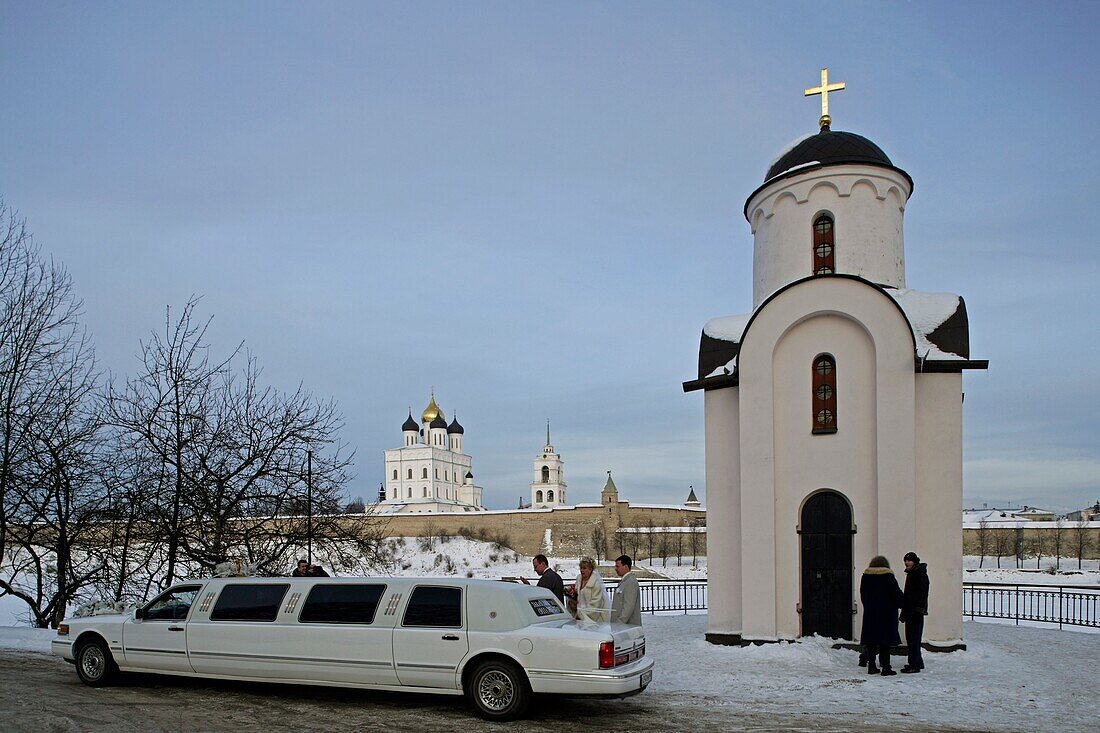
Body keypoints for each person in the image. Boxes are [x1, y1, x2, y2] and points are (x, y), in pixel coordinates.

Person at [859, 555, 904, 676]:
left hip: (870, 613)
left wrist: (868, 606)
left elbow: (863, 594)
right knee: (885, 641)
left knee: (871, 641)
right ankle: (886, 667)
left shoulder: (866, 576)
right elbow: (896, 594)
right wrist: (902, 603)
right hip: (887, 613)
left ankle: (872, 666)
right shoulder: (888, 576)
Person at [900, 551, 930, 674]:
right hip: (913, 610)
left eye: (909, 560)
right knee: (913, 638)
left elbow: (920, 594)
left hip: (914, 611)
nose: (907, 563)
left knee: (913, 638)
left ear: (915, 561)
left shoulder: (918, 574)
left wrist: (912, 607)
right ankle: (917, 661)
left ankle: (914, 664)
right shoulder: (914, 573)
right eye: (906, 560)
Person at [567, 556, 608, 624]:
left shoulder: (596, 583)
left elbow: (596, 603)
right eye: (581, 568)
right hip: (578, 618)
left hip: (593, 619)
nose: (582, 570)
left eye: (584, 568)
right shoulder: (578, 580)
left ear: (590, 569)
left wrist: (581, 614)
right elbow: (575, 596)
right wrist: (572, 603)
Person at [611, 554, 641, 626]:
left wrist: (619, 623)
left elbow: (628, 607)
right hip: (623, 627)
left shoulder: (630, 582)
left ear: (626, 567)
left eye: (617, 566)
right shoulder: (625, 581)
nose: (615, 569)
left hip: (627, 627)